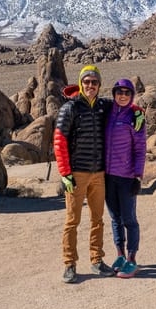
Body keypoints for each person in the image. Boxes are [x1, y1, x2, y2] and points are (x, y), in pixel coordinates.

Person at [54, 65, 115, 284]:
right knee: (72, 221)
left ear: (99, 85)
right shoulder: (70, 108)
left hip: (98, 173)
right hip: (77, 173)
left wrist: (138, 112)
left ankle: (97, 260)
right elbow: (59, 141)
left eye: (94, 82)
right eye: (87, 81)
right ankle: (69, 264)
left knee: (98, 219)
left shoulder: (103, 106)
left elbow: (125, 106)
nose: (90, 85)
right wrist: (65, 173)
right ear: (81, 83)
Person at [104, 79, 146, 279]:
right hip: (108, 176)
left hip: (127, 176)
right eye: (119, 92)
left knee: (129, 219)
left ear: (132, 95)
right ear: (114, 94)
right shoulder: (107, 113)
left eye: (127, 93)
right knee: (115, 218)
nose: (122, 95)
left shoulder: (135, 117)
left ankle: (132, 259)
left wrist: (138, 176)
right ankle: (120, 255)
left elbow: (140, 148)